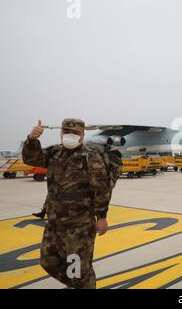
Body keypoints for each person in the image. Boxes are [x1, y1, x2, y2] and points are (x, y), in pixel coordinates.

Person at [22, 119, 111, 289]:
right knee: (48, 261)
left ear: (82, 135)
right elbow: (31, 159)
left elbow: (101, 189)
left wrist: (101, 217)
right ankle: (78, 285)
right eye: (67, 132)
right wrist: (32, 139)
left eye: (75, 133)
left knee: (78, 270)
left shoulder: (90, 156)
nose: (70, 135)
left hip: (79, 225)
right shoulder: (54, 152)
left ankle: (80, 285)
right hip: (54, 222)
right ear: (61, 133)